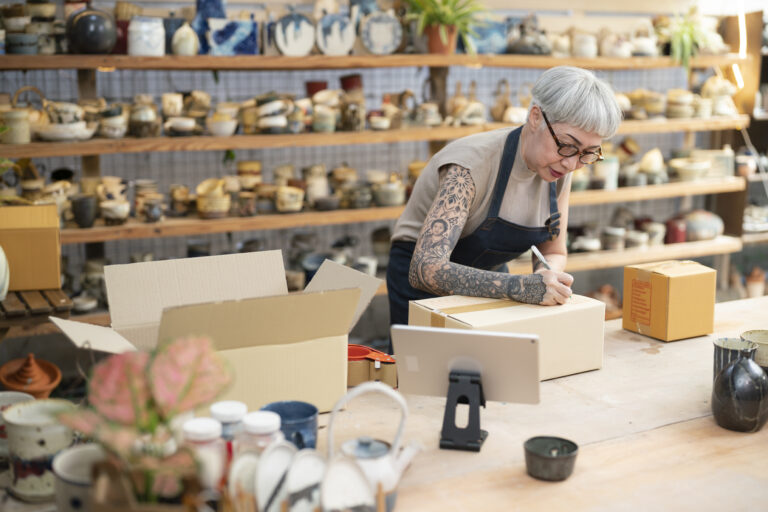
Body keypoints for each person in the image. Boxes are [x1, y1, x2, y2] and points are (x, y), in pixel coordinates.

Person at [386, 66, 622, 331]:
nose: (572, 164)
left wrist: (547, 277)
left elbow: (554, 250)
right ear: (535, 117)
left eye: (588, 153)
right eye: (567, 145)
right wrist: (521, 287)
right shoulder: (469, 167)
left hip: (492, 284)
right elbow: (426, 269)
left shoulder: (558, 167)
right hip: (422, 294)